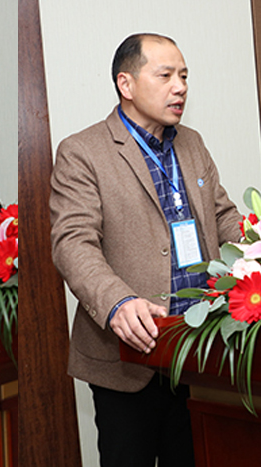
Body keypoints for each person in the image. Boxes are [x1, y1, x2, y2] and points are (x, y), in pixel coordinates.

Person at [50, 33, 242, 467]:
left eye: (184, 76)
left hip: (199, 349)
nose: (180, 87)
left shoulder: (192, 142)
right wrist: (117, 301)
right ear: (127, 84)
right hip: (129, 357)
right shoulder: (83, 151)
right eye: (166, 75)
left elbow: (223, 217)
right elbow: (72, 241)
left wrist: (254, 249)